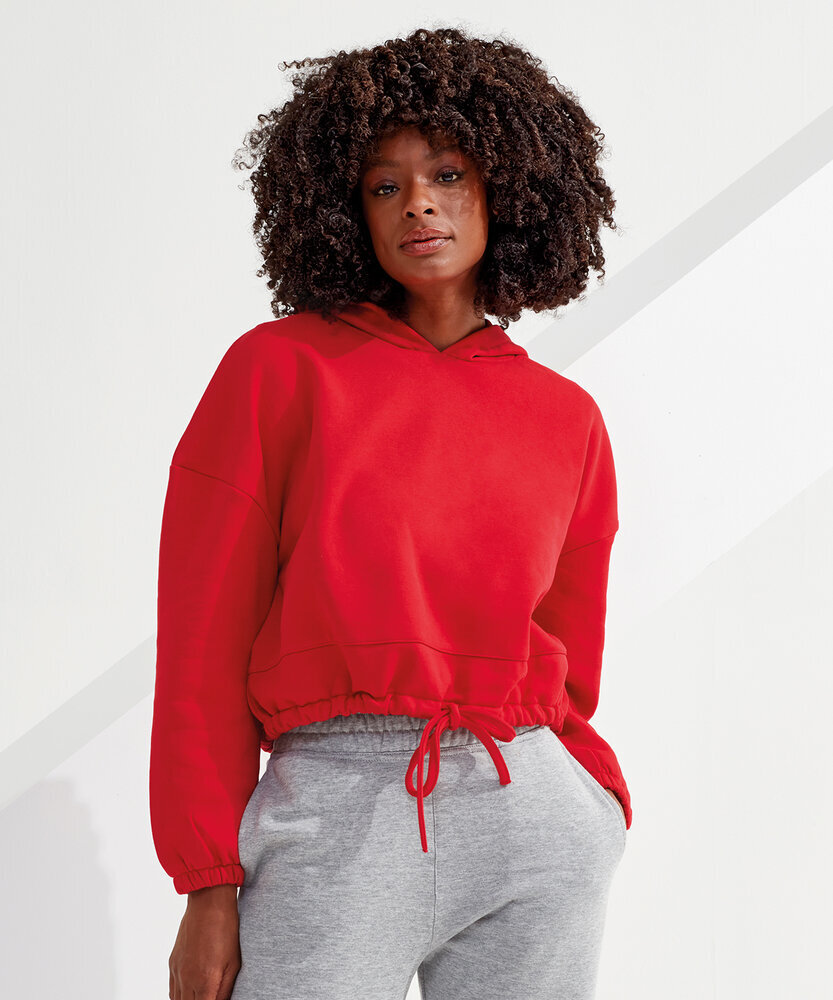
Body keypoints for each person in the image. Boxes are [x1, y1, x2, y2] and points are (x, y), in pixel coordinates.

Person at [150, 24, 632, 1000]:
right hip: (334, 810)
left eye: (447, 175)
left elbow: (569, 657)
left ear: (508, 190)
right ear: (346, 210)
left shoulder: (565, 417)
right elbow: (202, 638)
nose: (417, 202)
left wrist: (591, 798)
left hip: (531, 815)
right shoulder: (279, 372)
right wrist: (207, 881)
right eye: (384, 185)